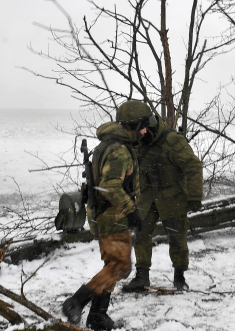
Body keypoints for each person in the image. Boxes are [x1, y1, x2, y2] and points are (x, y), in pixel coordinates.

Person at [62, 100, 147, 330]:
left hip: (106, 215)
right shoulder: (119, 150)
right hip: (114, 216)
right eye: (142, 126)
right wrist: (131, 211)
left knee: (112, 266)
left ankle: (98, 317)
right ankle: (76, 302)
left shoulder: (110, 145)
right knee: (120, 267)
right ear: (131, 125)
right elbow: (110, 185)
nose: (144, 131)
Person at [123, 109, 203, 292]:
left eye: (142, 131)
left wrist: (195, 195)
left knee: (177, 237)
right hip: (147, 196)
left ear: (149, 126)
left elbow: (193, 165)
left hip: (172, 196)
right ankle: (142, 276)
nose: (141, 135)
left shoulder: (172, 140)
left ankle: (179, 276)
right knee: (141, 234)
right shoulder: (137, 139)